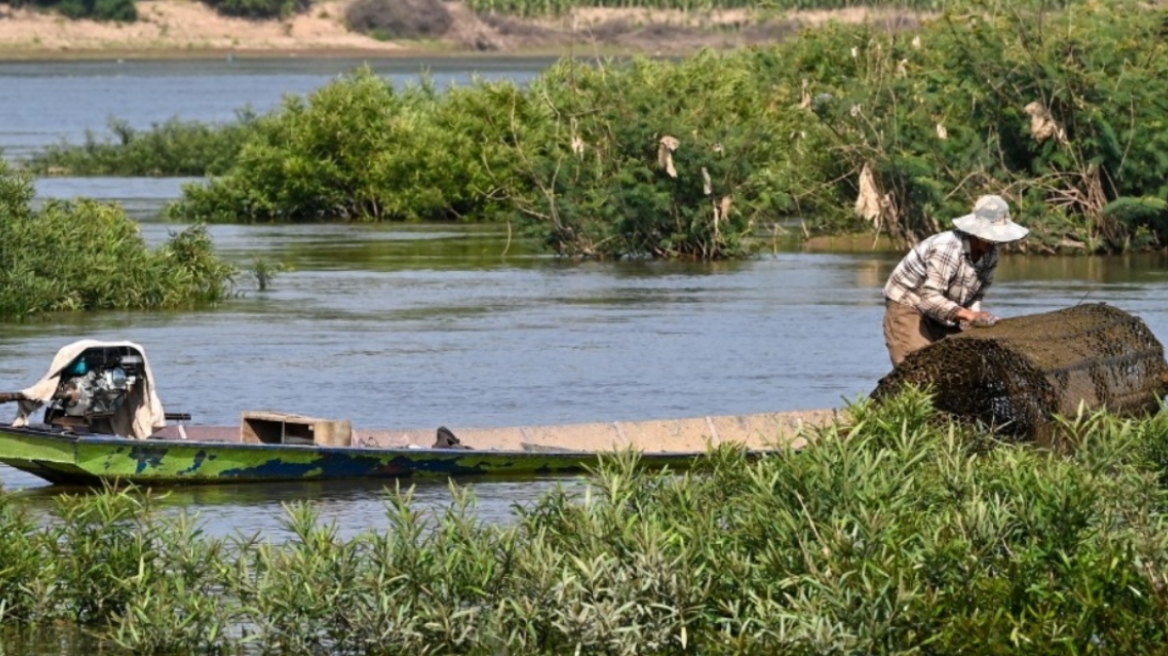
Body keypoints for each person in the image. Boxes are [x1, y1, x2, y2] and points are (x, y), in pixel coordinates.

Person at [882, 194, 1029, 367]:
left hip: (945, 307)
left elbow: (976, 296)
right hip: (909, 303)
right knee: (917, 368)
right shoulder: (947, 248)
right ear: (976, 231)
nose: (994, 241)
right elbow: (929, 299)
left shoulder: (991, 254)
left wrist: (973, 319)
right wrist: (969, 315)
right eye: (990, 235)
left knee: (960, 364)